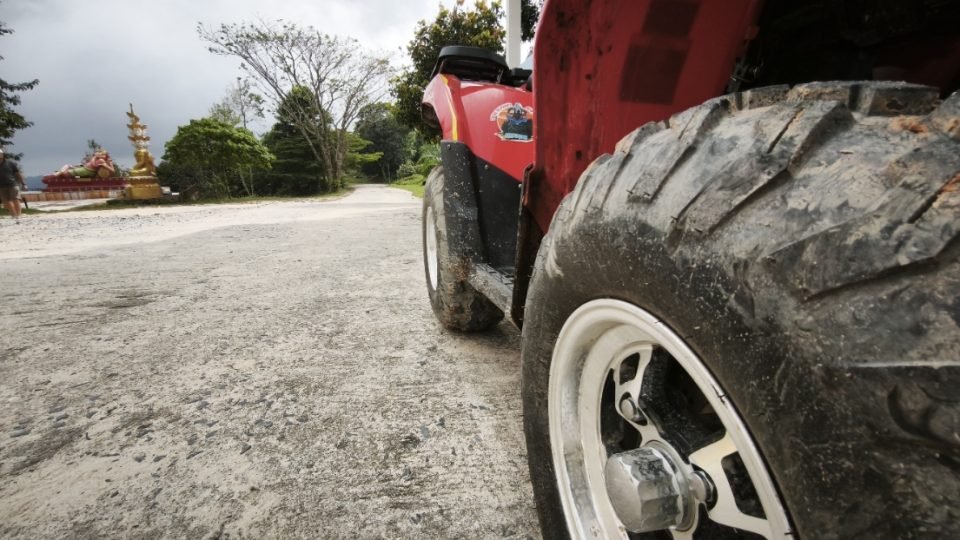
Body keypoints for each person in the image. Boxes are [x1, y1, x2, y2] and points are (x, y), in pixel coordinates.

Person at [0, 149, 26, 223]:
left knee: (15, 199)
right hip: (1, 186)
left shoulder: (10, 162)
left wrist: (23, 183)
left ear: (2, 155)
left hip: (13, 184)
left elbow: (18, 174)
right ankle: (13, 215)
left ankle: (18, 215)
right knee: (6, 202)